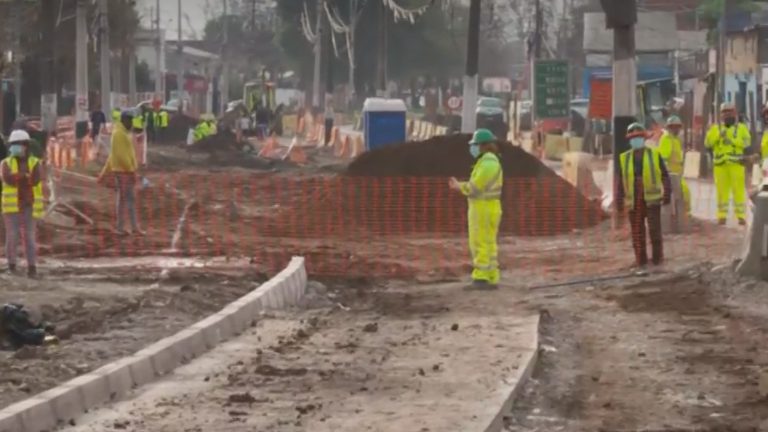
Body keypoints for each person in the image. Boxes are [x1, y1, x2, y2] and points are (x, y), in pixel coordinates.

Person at [449, 128, 503, 290]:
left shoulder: (487, 164)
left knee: (479, 242)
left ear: (482, 145)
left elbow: (475, 188)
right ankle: (491, 275)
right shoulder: (489, 162)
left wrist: (459, 186)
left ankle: (481, 278)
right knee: (489, 243)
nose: (472, 148)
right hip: (488, 207)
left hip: (482, 209)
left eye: (475, 145)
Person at [616, 123, 671, 268]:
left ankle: (658, 259)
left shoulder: (654, 154)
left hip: (651, 200)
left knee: (654, 231)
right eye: (633, 138)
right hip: (634, 201)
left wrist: (667, 193)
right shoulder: (624, 158)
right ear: (629, 140)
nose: (636, 140)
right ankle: (641, 261)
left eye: (638, 137)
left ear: (644, 138)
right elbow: (621, 181)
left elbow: (665, 175)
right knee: (637, 232)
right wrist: (619, 200)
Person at [0, 130, 44, 277]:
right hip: (12, 205)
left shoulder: (35, 162)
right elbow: (8, 179)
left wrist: (20, 177)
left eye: (16, 145)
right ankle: (11, 266)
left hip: (29, 204)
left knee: (29, 237)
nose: (14, 148)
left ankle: (32, 268)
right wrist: (25, 177)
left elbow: (36, 179)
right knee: (12, 236)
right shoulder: (5, 163)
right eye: (12, 145)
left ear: (25, 146)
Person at [99, 110, 144, 236]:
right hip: (123, 171)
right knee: (125, 199)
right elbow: (120, 156)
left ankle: (132, 227)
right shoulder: (119, 134)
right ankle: (123, 228)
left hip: (125, 170)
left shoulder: (122, 133)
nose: (131, 123)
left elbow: (113, 155)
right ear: (124, 120)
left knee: (127, 199)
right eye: (130, 121)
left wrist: (104, 172)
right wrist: (131, 171)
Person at [705, 103, 750, 225]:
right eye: (724, 112)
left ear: (734, 113)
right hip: (720, 165)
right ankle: (722, 216)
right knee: (721, 192)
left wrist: (733, 141)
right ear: (721, 114)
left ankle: (741, 216)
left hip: (736, 164)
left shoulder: (741, 128)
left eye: (729, 111)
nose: (727, 114)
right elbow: (707, 144)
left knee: (738, 191)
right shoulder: (715, 129)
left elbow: (747, 143)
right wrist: (718, 136)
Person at [657, 115, 691, 213]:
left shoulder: (675, 140)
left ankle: (684, 216)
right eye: (674, 127)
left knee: (682, 196)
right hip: (671, 175)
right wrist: (667, 173)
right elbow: (663, 159)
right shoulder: (667, 139)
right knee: (685, 193)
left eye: (678, 127)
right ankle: (685, 216)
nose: (677, 129)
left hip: (677, 174)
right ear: (670, 128)